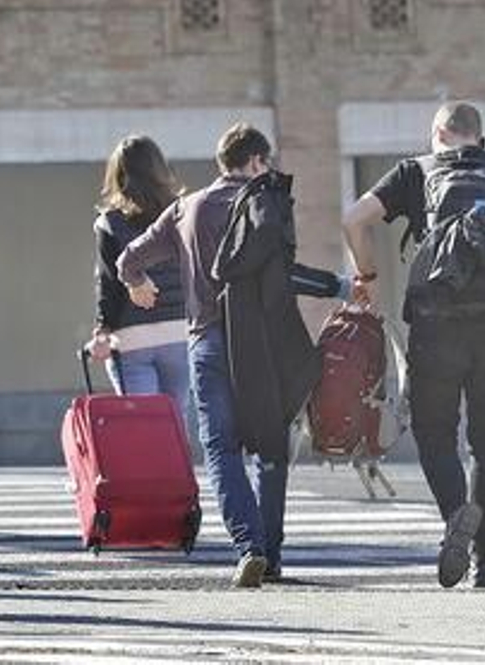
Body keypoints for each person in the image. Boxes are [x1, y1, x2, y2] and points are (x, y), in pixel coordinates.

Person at [118, 123, 355, 588]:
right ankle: (272, 553)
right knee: (270, 449)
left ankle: (248, 547)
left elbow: (129, 259)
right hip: (261, 346)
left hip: (207, 341)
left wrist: (138, 284)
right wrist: (341, 288)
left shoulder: (186, 208)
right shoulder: (264, 205)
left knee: (221, 449)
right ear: (256, 162)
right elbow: (284, 276)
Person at [342, 102, 485, 590]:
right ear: (480, 136)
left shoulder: (415, 171)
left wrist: (365, 275)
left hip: (436, 329)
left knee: (435, 435)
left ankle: (456, 516)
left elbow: (354, 219)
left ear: (438, 132)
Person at [89, 136, 190, 420]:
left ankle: (148, 466)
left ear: (118, 175)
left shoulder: (110, 223)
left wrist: (102, 330)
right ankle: (172, 466)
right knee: (174, 421)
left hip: (132, 338)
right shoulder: (182, 213)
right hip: (180, 332)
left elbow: (108, 284)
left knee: (143, 423)